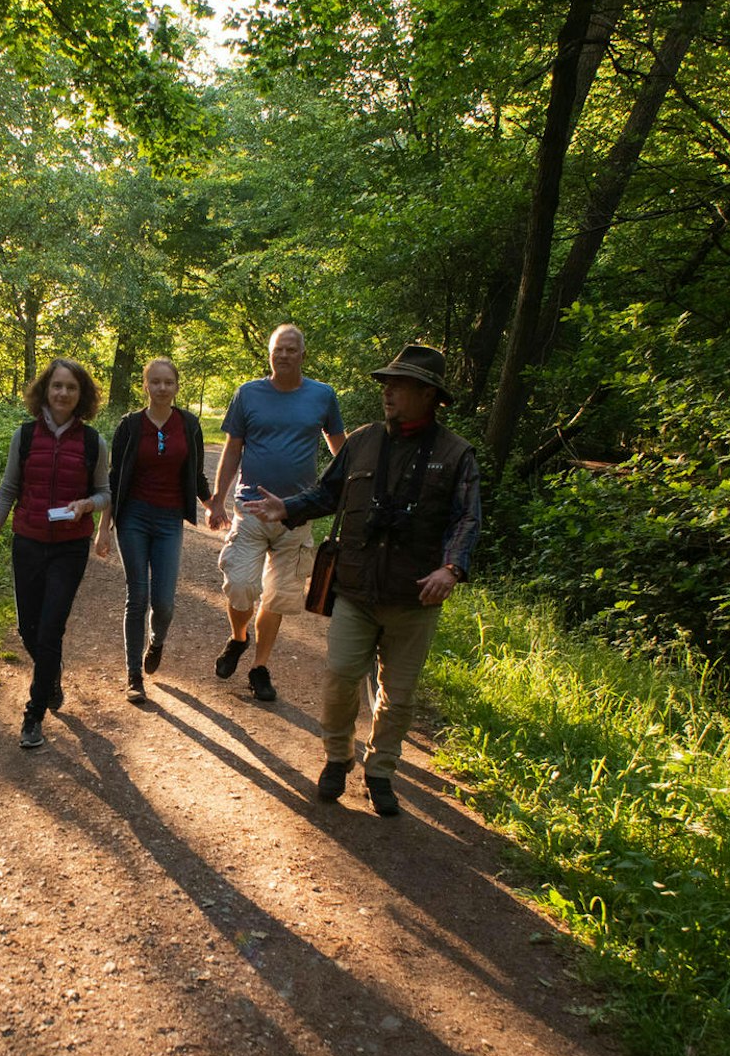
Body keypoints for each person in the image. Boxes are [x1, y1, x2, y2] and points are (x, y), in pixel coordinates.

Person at [239, 343, 481, 816]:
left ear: (430, 394)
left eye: (400, 383)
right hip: (355, 586)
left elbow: (467, 520)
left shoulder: (456, 455)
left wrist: (451, 568)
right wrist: (286, 508)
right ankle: (336, 757)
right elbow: (327, 493)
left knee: (399, 695)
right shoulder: (364, 440)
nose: (388, 390)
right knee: (339, 679)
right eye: (387, 382)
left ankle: (381, 771)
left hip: (415, 596)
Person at [207, 323, 346, 702]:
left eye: (290, 349)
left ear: (302, 353)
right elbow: (232, 448)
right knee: (240, 586)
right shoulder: (248, 394)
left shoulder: (323, 396)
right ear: (269, 354)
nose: (283, 355)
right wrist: (218, 498)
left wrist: (348, 489)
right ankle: (239, 637)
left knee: (278, 597)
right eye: (277, 350)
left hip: (296, 515)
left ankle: (259, 667)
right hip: (250, 509)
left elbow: (340, 451)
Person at [0, 358, 111, 750]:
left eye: (71, 387)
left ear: (81, 394)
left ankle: (33, 716)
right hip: (28, 542)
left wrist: (88, 504)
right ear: (45, 391)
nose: (63, 393)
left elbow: (106, 492)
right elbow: (7, 491)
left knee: (52, 628)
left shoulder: (93, 442)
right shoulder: (24, 436)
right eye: (57, 386)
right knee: (28, 629)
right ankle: (51, 675)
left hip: (70, 547)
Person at [98, 358, 213, 704]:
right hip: (133, 516)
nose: (163, 388)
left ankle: (156, 640)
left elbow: (196, 476)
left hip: (169, 520)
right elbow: (114, 479)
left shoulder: (189, 425)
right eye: (156, 382)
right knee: (138, 595)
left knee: (163, 603)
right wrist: (103, 528)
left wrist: (212, 505)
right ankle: (134, 675)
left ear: (177, 386)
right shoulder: (130, 426)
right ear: (145, 386)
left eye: (169, 382)